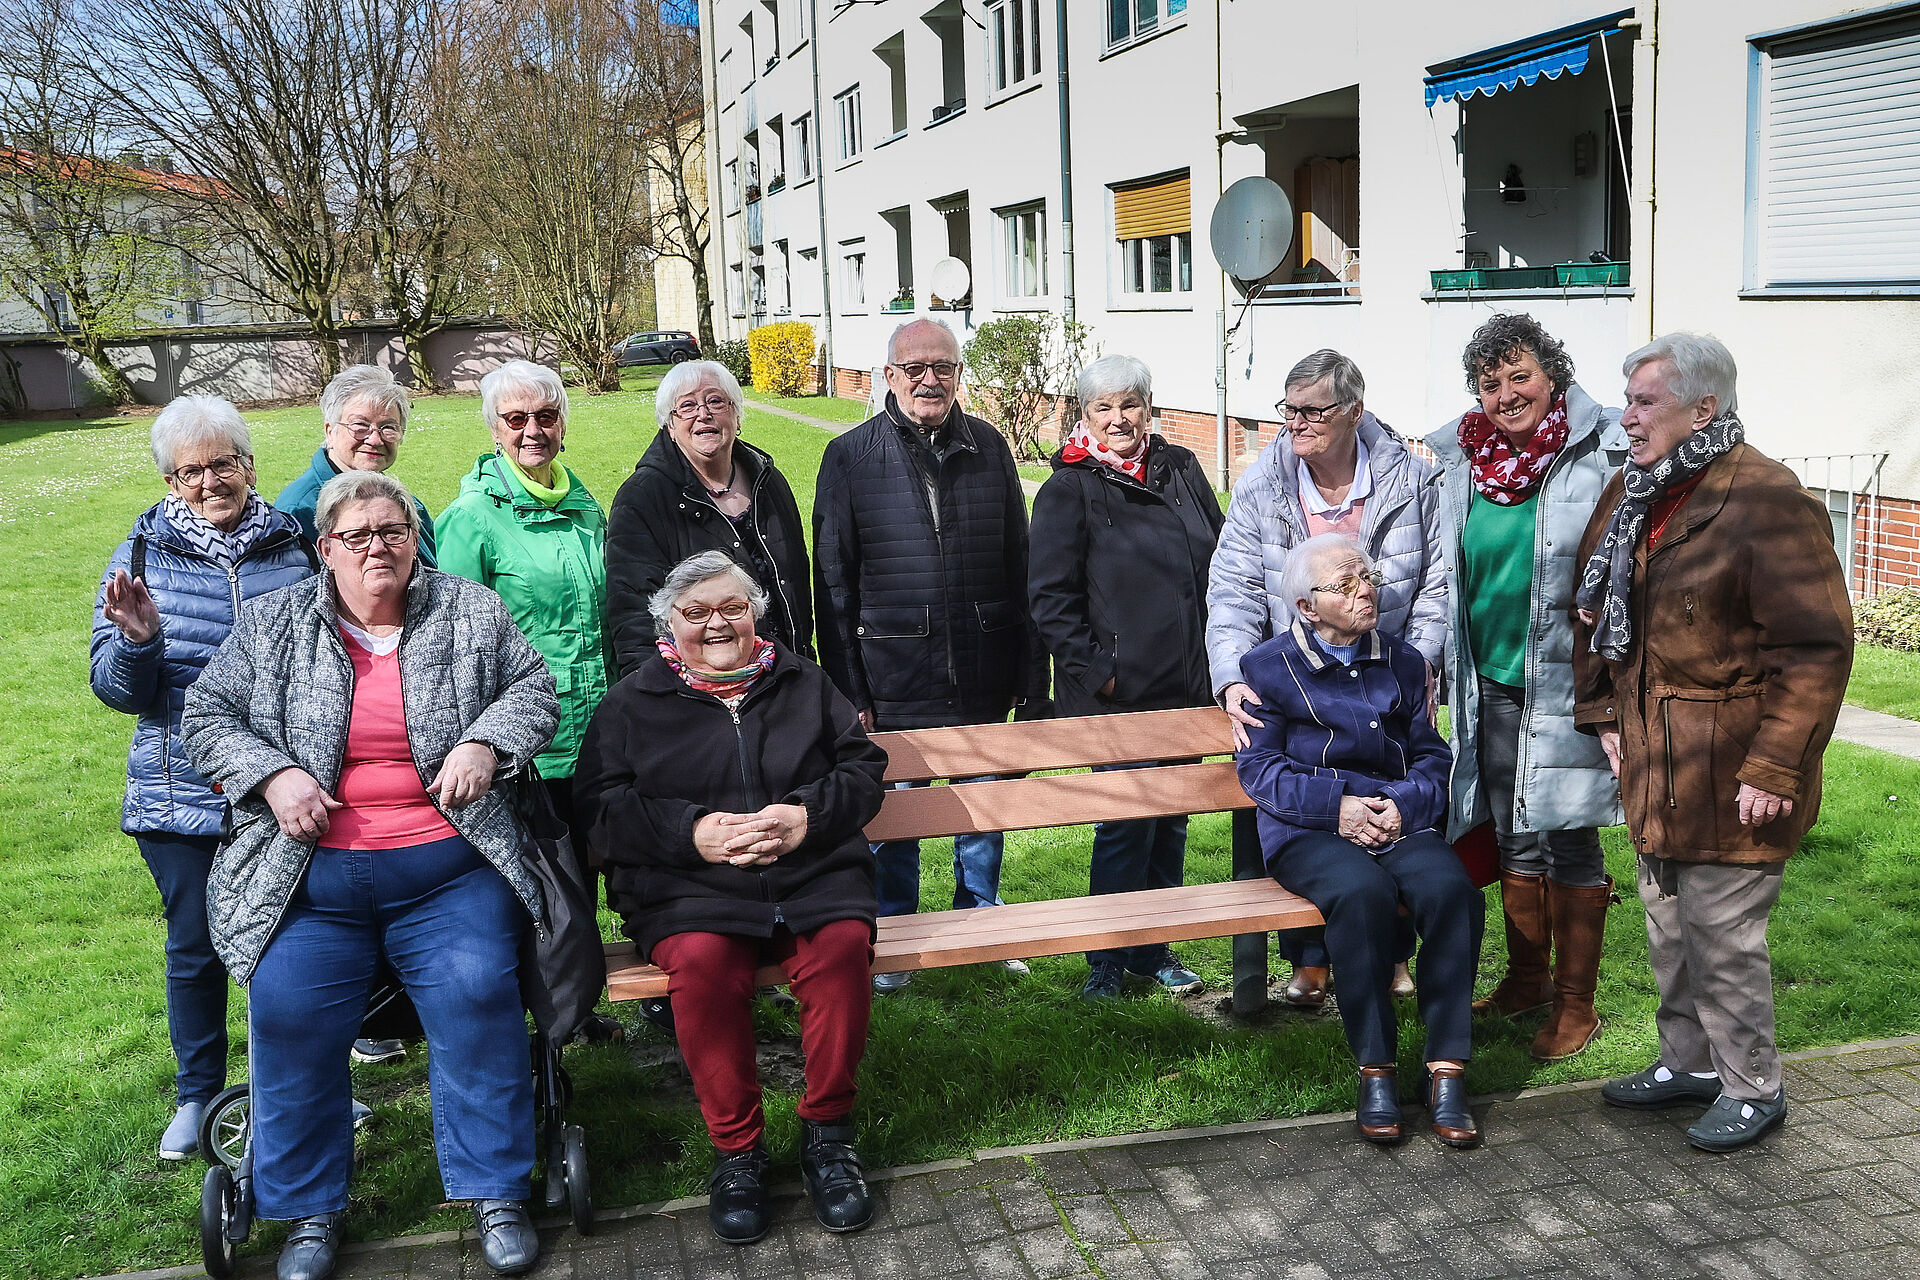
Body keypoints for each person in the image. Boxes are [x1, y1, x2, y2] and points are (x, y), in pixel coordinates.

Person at [182, 470, 558, 1280]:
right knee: (285, 1014)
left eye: (392, 531)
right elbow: (205, 715)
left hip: (447, 873)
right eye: (357, 536)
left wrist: (485, 742)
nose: (377, 548)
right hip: (308, 880)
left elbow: (533, 687)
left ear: (414, 540)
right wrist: (274, 775)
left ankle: (496, 1190)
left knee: (477, 995)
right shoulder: (274, 624)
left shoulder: (468, 611)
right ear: (325, 550)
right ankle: (308, 1210)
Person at [1573, 334, 1851, 1152]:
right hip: (1657, 760)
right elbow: (1589, 613)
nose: (1626, 417)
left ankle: (1753, 1086)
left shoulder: (1767, 500)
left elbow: (1814, 649)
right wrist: (1603, 719)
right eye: (1627, 400)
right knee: (1668, 926)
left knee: (1724, 937)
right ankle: (1688, 1063)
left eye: (1645, 401)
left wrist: (1776, 765)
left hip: (1734, 769)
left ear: (1706, 408)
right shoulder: (1634, 491)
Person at [575, 551, 887, 1245]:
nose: (717, 624)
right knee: (703, 964)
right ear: (669, 625)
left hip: (811, 876)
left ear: (755, 615)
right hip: (689, 889)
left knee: (839, 950)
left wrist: (807, 817)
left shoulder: (804, 683)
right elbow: (600, 808)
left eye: (732, 608)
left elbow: (863, 769)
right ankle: (738, 1154)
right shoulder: (632, 702)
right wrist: (695, 834)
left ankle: (828, 1135)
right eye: (696, 613)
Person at [90, 395, 316, 1161]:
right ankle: (199, 1097)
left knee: (292, 944)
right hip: (180, 794)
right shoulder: (139, 557)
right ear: (169, 481)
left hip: (281, 786)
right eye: (192, 471)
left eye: (224, 463)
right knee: (196, 949)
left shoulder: (296, 545)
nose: (212, 480)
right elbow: (118, 691)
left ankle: (298, 1089)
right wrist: (141, 642)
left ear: (250, 465)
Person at [812, 318, 1048, 994]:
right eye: (913, 367)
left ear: (958, 375)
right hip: (892, 675)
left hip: (983, 670)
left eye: (942, 366)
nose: (928, 379)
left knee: (980, 813)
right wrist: (848, 692)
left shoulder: (990, 446)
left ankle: (978, 923)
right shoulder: (849, 456)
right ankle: (894, 929)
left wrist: (1034, 683)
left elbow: (1021, 565)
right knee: (897, 816)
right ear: (889, 376)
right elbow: (833, 581)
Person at [1207, 349, 1443, 1010]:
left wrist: (1418, 664)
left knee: (1386, 799)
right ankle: (1307, 961)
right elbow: (1232, 590)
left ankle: (1392, 955)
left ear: (1354, 413)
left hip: (1380, 672)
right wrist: (1232, 676)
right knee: (1299, 802)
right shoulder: (1264, 482)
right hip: (1290, 676)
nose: (1296, 424)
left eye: (1313, 411)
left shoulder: (1406, 480)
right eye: (1289, 411)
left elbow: (1433, 587)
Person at [1236, 534, 1483, 1147]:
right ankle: (1375, 1068)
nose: (1365, 591)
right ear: (1306, 607)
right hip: (1309, 829)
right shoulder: (1267, 669)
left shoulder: (1401, 661)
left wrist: (1401, 805)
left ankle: (1447, 1069)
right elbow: (1260, 771)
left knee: (1454, 890)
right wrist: (1338, 808)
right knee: (1363, 895)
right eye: (1344, 586)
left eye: (1367, 578)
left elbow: (1431, 754)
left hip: (1394, 819)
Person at [1426, 313, 1626, 1062]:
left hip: (1569, 681)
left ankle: (1578, 1006)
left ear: (1553, 376)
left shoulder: (1598, 450)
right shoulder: (1460, 460)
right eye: (1490, 382)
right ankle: (1527, 980)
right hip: (1491, 679)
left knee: (1568, 834)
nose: (1507, 395)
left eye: (1521, 376)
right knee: (1510, 828)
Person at [436, 359, 622, 1042]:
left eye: (545, 416)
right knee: (537, 889)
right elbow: (454, 649)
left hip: (598, 730)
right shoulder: (470, 521)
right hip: (526, 743)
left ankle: (580, 1008)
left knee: (588, 878)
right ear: (494, 431)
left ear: (564, 424)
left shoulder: (584, 507)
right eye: (516, 420)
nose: (532, 430)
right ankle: (532, 1027)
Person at [1028, 354, 1223, 1001]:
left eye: (1129, 404)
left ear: (1148, 406)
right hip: (1120, 700)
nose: (1118, 418)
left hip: (1185, 689)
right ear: (1084, 416)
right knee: (1125, 825)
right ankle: (1105, 962)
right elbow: (1050, 600)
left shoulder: (1182, 470)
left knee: (1170, 824)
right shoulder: (1070, 488)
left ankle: (1152, 952)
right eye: (1102, 408)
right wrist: (1104, 675)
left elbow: (1220, 558)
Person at [607, 358, 812, 673]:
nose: (703, 414)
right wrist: (656, 701)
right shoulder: (641, 499)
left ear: (736, 414)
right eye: (686, 406)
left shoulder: (768, 482)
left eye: (716, 401)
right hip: (702, 692)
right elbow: (634, 619)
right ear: (670, 427)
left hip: (787, 677)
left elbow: (796, 587)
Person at [275, 363, 437, 567]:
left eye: (388, 427)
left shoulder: (409, 505)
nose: (375, 440)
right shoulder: (297, 513)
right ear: (329, 431)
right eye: (360, 425)